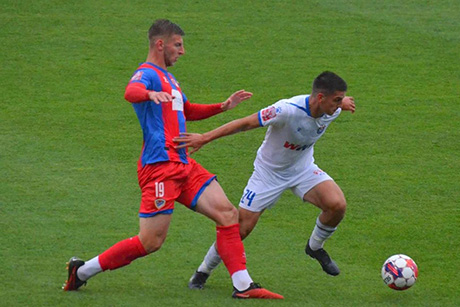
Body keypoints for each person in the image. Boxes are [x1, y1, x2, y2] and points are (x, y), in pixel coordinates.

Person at [62, 19, 283, 300]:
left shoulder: (170, 79)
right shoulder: (147, 74)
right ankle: (80, 272)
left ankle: (244, 286)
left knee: (227, 214)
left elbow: (187, 109)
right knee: (151, 242)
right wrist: (149, 93)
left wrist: (223, 106)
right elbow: (130, 92)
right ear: (160, 44)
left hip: (183, 164)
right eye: (178, 45)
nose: (182, 51)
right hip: (159, 168)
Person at [173, 71, 356, 289]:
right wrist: (205, 137)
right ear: (320, 98)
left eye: (339, 100)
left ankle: (315, 247)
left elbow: (337, 102)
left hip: (302, 170)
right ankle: (203, 271)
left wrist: (342, 102)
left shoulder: (330, 109)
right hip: (268, 174)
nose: (338, 105)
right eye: (335, 100)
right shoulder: (286, 110)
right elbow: (245, 123)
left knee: (337, 205)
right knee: (240, 229)